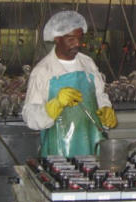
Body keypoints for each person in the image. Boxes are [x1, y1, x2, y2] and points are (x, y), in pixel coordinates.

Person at [22, 10, 117, 157]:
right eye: (71, 39)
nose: (78, 44)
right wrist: (54, 106)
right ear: (57, 39)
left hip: (93, 146)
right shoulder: (42, 71)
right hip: (58, 152)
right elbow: (30, 116)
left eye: (80, 38)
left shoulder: (88, 64)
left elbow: (99, 95)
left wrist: (105, 110)